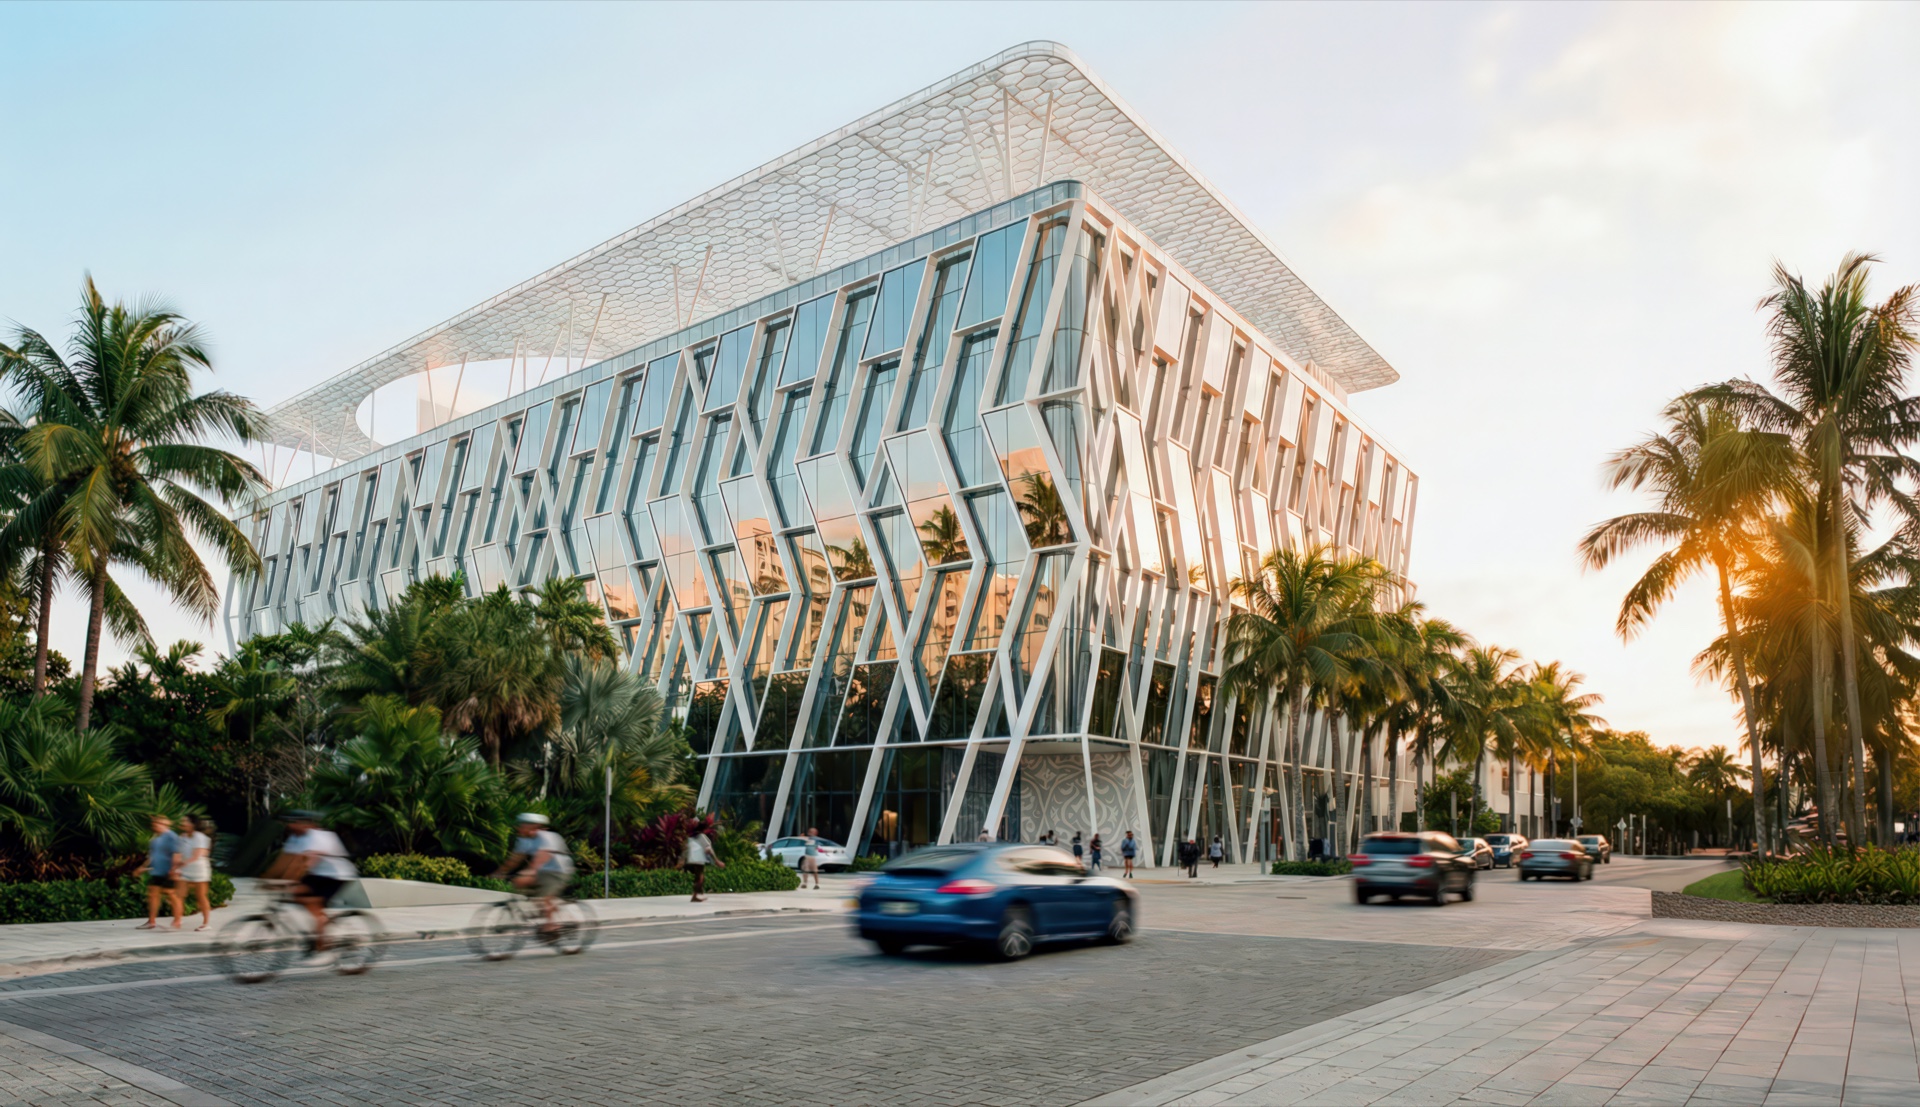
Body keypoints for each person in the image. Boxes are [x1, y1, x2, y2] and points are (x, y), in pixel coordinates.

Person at [266, 811, 358, 955]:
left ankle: (321, 941)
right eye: (291, 823)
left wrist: (292, 881)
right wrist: (266, 878)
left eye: (296, 823)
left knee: (314, 903)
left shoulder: (317, 836)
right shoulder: (295, 839)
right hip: (318, 874)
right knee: (297, 895)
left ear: (307, 824)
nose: (292, 826)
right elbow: (283, 861)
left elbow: (307, 862)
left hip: (337, 875)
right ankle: (320, 926)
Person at [493, 814, 574, 935]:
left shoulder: (547, 837)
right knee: (519, 882)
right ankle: (546, 908)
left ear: (532, 826)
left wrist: (531, 871)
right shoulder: (524, 841)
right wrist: (500, 872)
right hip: (543, 871)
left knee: (544, 897)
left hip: (558, 871)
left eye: (522, 825)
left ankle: (551, 924)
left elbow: (543, 855)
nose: (519, 828)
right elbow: (515, 859)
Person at [135, 815, 182, 929]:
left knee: (171, 895)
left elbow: (177, 854)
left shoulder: (172, 837)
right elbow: (152, 857)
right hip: (157, 872)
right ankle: (151, 922)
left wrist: (174, 870)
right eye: (154, 824)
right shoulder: (155, 839)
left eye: (158, 823)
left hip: (168, 871)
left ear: (165, 824)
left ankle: (177, 921)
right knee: (152, 895)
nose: (155, 826)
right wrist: (142, 867)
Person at [174, 815, 215, 931]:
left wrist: (181, 864)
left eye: (185, 821)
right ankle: (178, 920)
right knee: (179, 895)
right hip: (185, 869)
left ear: (192, 824)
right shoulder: (181, 837)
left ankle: (206, 923)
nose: (182, 822)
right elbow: (178, 854)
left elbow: (197, 855)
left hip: (199, 870)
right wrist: (175, 867)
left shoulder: (200, 837)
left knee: (201, 896)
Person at [684, 824, 724, 902]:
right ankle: (695, 895)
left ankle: (697, 894)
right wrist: (716, 860)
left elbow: (686, 848)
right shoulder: (702, 836)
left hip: (691, 859)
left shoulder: (692, 837)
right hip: (699, 859)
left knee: (698, 877)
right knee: (700, 878)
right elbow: (708, 849)